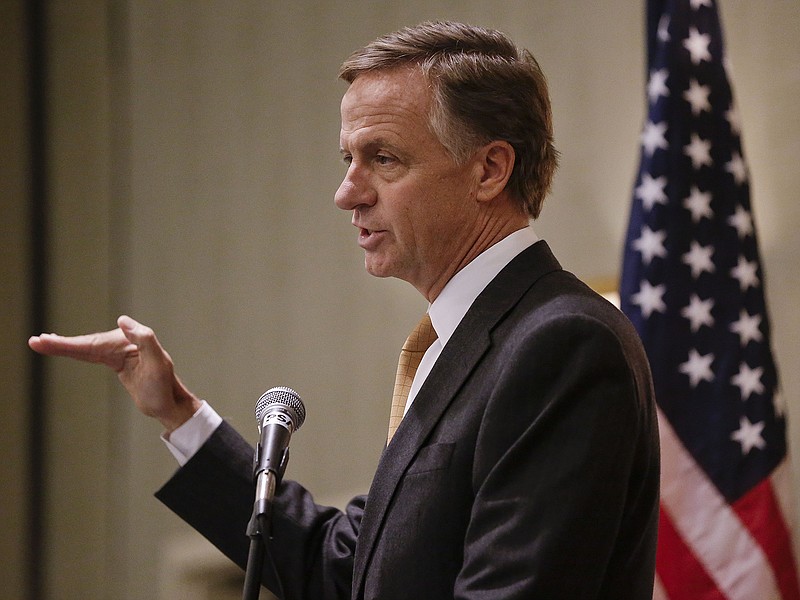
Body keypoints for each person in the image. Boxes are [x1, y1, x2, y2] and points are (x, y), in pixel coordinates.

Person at [29, 21, 660, 599]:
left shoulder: (560, 343)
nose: (346, 194)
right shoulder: (458, 345)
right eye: (347, 160)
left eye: (383, 158)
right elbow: (341, 569)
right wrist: (178, 413)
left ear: (490, 168)